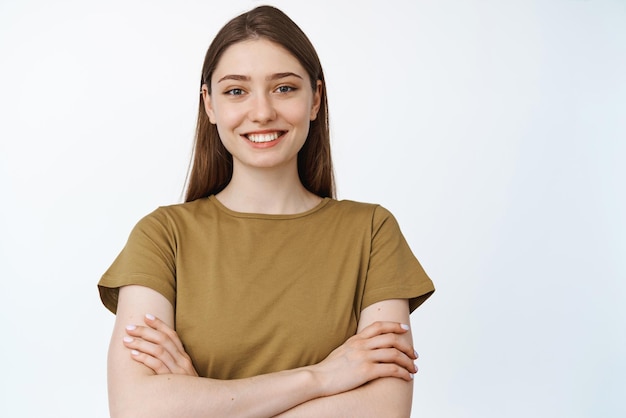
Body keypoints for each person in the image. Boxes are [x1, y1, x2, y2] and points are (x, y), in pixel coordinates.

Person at [98, 5, 434, 417]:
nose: (262, 112)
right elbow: (137, 410)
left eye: (284, 88)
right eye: (236, 90)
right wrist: (322, 377)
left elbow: (383, 411)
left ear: (315, 99)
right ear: (209, 105)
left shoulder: (371, 232)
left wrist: (201, 401)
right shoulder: (162, 236)